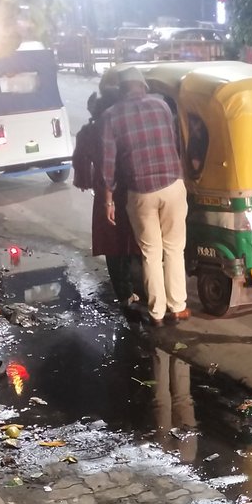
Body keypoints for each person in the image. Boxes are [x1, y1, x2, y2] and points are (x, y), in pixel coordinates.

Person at [100, 66, 189, 327]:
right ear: (143, 86)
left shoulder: (111, 116)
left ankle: (157, 313)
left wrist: (108, 199)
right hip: (173, 185)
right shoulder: (161, 107)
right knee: (174, 248)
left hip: (141, 191)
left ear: (121, 90)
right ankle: (179, 307)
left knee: (151, 252)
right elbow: (173, 142)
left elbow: (108, 164)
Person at [72, 70, 146, 311]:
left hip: (107, 191)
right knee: (137, 240)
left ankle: (125, 294)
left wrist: (85, 179)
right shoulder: (129, 119)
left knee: (114, 245)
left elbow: (81, 161)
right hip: (133, 185)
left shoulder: (92, 127)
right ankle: (142, 290)